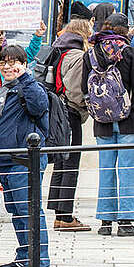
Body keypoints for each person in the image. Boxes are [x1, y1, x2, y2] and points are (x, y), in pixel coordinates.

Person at [0, 43, 50, 267]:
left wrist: (27, 79)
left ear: (24, 64)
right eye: (4, 62)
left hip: (24, 159)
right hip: (6, 158)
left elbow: (39, 106)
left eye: (14, 62)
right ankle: (25, 254)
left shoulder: (30, 86)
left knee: (29, 208)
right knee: (16, 210)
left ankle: (40, 259)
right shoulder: (7, 88)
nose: (8, 67)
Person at [82, 13, 134, 236]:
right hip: (128, 120)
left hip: (101, 121)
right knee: (127, 169)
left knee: (105, 169)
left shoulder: (91, 53)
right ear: (125, 29)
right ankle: (125, 220)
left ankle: (105, 220)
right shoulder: (129, 52)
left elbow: (85, 89)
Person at [46, 18, 92, 231]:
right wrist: (85, 105)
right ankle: (65, 216)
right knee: (71, 162)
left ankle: (58, 212)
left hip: (56, 110)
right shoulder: (78, 56)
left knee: (61, 161)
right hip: (70, 112)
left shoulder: (59, 49)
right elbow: (75, 89)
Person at [0, 17, 45, 99]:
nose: (1, 36)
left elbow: (26, 56)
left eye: (3, 33)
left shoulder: (4, 52)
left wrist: (37, 37)